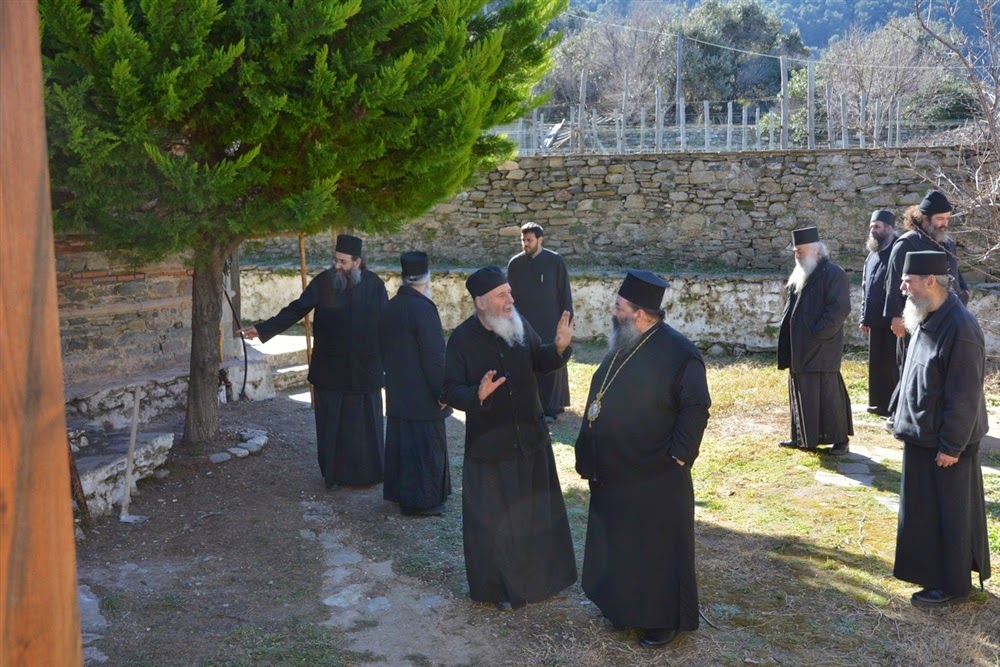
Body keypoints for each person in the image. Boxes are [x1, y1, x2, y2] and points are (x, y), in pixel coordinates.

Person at [575, 270, 711, 649]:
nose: (612, 311)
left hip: (656, 471)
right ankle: (622, 608)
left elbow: (696, 407)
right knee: (621, 542)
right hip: (617, 469)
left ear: (639, 314)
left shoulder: (679, 353)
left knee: (654, 548)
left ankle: (660, 620)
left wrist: (680, 455)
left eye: (618, 306)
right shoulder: (625, 341)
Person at [442, 266, 577, 611]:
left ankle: (543, 581)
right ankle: (500, 588)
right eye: (503, 295)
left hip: (530, 439)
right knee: (498, 525)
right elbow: (448, 390)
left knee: (535, 516)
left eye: (510, 292)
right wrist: (478, 393)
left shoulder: (519, 324)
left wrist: (559, 347)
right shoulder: (461, 340)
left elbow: (540, 360)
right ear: (482, 302)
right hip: (491, 448)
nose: (510, 300)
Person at [240, 234, 388, 488]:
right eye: (336, 259)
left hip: (364, 371)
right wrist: (263, 329)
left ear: (358, 262)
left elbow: (387, 324)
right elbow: (297, 309)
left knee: (364, 426)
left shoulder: (375, 285)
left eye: (343, 261)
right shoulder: (324, 282)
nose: (338, 265)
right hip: (330, 371)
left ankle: (369, 475)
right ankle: (334, 475)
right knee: (332, 426)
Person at [891, 250, 991, 608]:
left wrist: (950, 445)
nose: (902, 286)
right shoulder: (926, 316)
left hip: (947, 445)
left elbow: (963, 394)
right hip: (922, 436)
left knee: (950, 515)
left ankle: (951, 586)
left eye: (908, 280)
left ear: (930, 281)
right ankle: (932, 574)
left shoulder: (961, 328)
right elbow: (915, 374)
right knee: (926, 513)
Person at [882, 190, 970, 424]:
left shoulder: (948, 242)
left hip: (946, 318)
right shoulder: (906, 243)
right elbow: (893, 282)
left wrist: (965, 291)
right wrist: (895, 316)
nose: (945, 224)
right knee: (912, 368)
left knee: (938, 371)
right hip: (915, 318)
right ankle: (898, 415)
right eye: (940, 219)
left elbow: (955, 273)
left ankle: (933, 416)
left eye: (947, 219)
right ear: (925, 218)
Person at [380, 251, 452, 516]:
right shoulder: (424, 309)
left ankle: (401, 495)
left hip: (399, 391)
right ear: (427, 280)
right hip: (423, 395)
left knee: (402, 445)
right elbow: (434, 358)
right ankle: (423, 502)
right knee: (424, 448)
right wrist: (442, 392)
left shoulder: (390, 306)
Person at [777, 226, 853, 454]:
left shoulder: (834, 274)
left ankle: (840, 441)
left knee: (828, 395)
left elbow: (839, 309)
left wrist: (818, 334)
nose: (796, 255)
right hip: (799, 347)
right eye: (795, 251)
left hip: (822, 347)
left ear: (816, 251)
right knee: (801, 392)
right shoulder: (800, 274)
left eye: (800, 251)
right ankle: (802, 437)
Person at [507, 222, 573, 422]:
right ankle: (529, 405)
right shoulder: (515, 264)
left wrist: (567, 322)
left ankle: (551, 408)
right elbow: (509, 297)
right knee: (527, 366)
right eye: (523, 240)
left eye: (529, 240)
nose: (525, 244)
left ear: (540, 240)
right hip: (524, 324)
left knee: (552, 364)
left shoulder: (555, 261)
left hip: (550, 322)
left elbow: (565, 294)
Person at [859, 210, 899, 417]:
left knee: (893, 365)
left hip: (894, 319)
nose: (872, 231)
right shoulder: (873, 253)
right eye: (871, 227)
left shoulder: (899, 250)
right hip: (875, 320)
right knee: (877, 364)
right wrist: (863, 317)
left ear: (889, 228)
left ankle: (894, 406)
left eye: (877, 227)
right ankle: (878, 403)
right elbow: (867, 286)